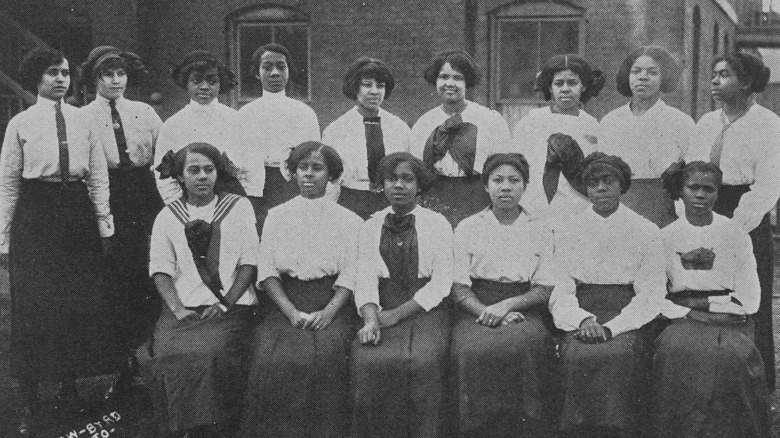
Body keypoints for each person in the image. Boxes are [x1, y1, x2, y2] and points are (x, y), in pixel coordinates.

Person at [0, 48, 116, 436]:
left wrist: (103, 226)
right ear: (37, 78)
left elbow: (98, 174)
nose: (61, 79)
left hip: (76, 212)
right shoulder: (20, 123)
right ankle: (29, 397)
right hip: (36, 213)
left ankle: (69, 389)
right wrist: (3, 238)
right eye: (52, 73)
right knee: (34, 303)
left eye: (65, 73)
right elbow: (9, 183)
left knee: (74, 302)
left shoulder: (84, 121)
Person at [239, 141, 361, 437]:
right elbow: (267, 270)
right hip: (285, 302)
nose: (309, 175)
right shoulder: (277, 216)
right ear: (292, 173)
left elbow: (352, 272)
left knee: (328, 354)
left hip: (333, 302)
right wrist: (290, 312)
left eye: (317, 168)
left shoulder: (349, 220)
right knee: (272, 356)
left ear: (331, 176)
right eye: (302, 168)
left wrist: (329, 312)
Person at [138, 142, 259, 438]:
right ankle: (184, 428)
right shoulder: (168, 216)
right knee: (166, 354)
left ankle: (214, 428)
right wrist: (177, 309)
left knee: (210, 354)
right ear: (180, 176)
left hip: (231, 305)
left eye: (209, 169)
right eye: (194, 170)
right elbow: (161, 270)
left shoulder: (239, 208)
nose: (202, 176)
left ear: (218, 174)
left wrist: (226, 304)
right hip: (184, 306)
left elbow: (249, 263)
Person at [651, 161, 771, 438]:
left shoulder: (736, 234)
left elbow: (750, 300)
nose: (700, 195)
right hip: (680, 318)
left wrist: (707, 306)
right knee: (676, 352)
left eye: (709, 189)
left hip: (729, 316)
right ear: (681, 192)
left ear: (718, 194)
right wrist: (692, 313)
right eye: (693, 188)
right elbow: (655, 296)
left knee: (731, 357)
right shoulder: (665, 236)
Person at [550, 152, 665, 438]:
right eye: (593, 182)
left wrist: (613, 327)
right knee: (577, 354)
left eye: (608, 181)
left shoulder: (646, 230)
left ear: (622, 185)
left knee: (621, 355)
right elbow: (560, 288)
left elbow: (651, 293)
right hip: (582, 312)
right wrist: (583, 320)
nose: (600, 188)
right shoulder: (567, 230)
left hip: (628, 316)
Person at [685, 51, 780, 390]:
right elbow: (693, 171)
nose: (714, 80)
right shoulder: (707, 123)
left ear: (747, 83)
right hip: (704, 207)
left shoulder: (768, 123)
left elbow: (769, 183)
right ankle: (707, 379)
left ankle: (754, 382)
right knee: (704, 288)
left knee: (747, 297)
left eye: (724, 74)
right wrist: (695, 215)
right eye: (713, 73)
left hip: (746, 215)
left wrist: (736, 226)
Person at [80, 45, 165, 402]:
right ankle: (124, 364)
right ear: (94, 79)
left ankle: (156, 357)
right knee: (117, 279)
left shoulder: (145, 112)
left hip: (145, 195)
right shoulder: (82, 116)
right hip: (109, 194)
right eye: (107, 75)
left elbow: (165, 155)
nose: (116, 81)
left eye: (120, 74)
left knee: (152, 271)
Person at [450, 153, 556, 437]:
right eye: (497, 180)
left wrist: (507, 306)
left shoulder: (541, 228)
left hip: (525, 306)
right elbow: (459, 287)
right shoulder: (468, 226)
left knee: (524, 347)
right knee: (471, 350)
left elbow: (544, 288)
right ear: (486, 186)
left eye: (514, 180)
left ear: (525, 186)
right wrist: (487, 310)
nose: (505, 187)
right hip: (475, 306)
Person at [351, 152, 453, 438]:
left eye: (407, 179)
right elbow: (365, 278)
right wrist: (371, 319)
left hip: (425, 310)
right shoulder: (370, 226)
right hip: (381, 307)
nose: (398, 185)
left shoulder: (438, 224)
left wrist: (396, 315)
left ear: (419, 186)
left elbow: (442, 283)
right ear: (381, 185)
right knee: (368, 361)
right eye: (391, 179)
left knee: (423, 361)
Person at [409, 49, 511, 226]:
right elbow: (417, 168)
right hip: (435, 197)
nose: (450, 83)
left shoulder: (489, 119)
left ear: (467, 82)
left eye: (457, 78)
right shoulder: (424, 123)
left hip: (477, 197)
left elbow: (503, 165)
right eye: (444, 77)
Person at [600, 46, 694, 228]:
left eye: (652, 72)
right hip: (620, 207)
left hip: (664, 210)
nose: (643, 77)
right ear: (628, 76)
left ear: (664, 78)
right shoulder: (610, 121)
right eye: (636, 71)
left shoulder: (681, 122)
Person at [237, 43, 321, 231]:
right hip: (255, 187)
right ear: (257, 73)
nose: (275, 73)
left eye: (281, 67)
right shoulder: (245, 114)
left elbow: (316, 157)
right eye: (267, 68)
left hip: (290, 186)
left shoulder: (304, 113)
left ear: (289, 71)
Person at [512, 54, 604, 224]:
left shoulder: (593, 127)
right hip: (536, 209)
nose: (565, 89)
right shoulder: (530, 123)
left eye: (573, 83)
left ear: (583, 86)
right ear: (550, 87)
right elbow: (516, 168)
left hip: (579, 209)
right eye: (559, 83)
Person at [153, 50, 250, 204]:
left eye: (212, 81)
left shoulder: (236, 120)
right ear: (186, 83)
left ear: (220, 83)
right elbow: (163, 177)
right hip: (188, 203)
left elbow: (251, 168)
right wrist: (179, 207)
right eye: (197, 81)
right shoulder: (173, 125)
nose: (204, 87)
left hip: (232, 199)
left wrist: (243, 203)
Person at [322, 57, 410, 219]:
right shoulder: (336, 130)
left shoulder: (399, 128)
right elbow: (330, 179)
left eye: (380, 86)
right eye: (367, 85)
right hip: (351, 201)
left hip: (389, 201)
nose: (375, 91)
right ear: (355, 87)